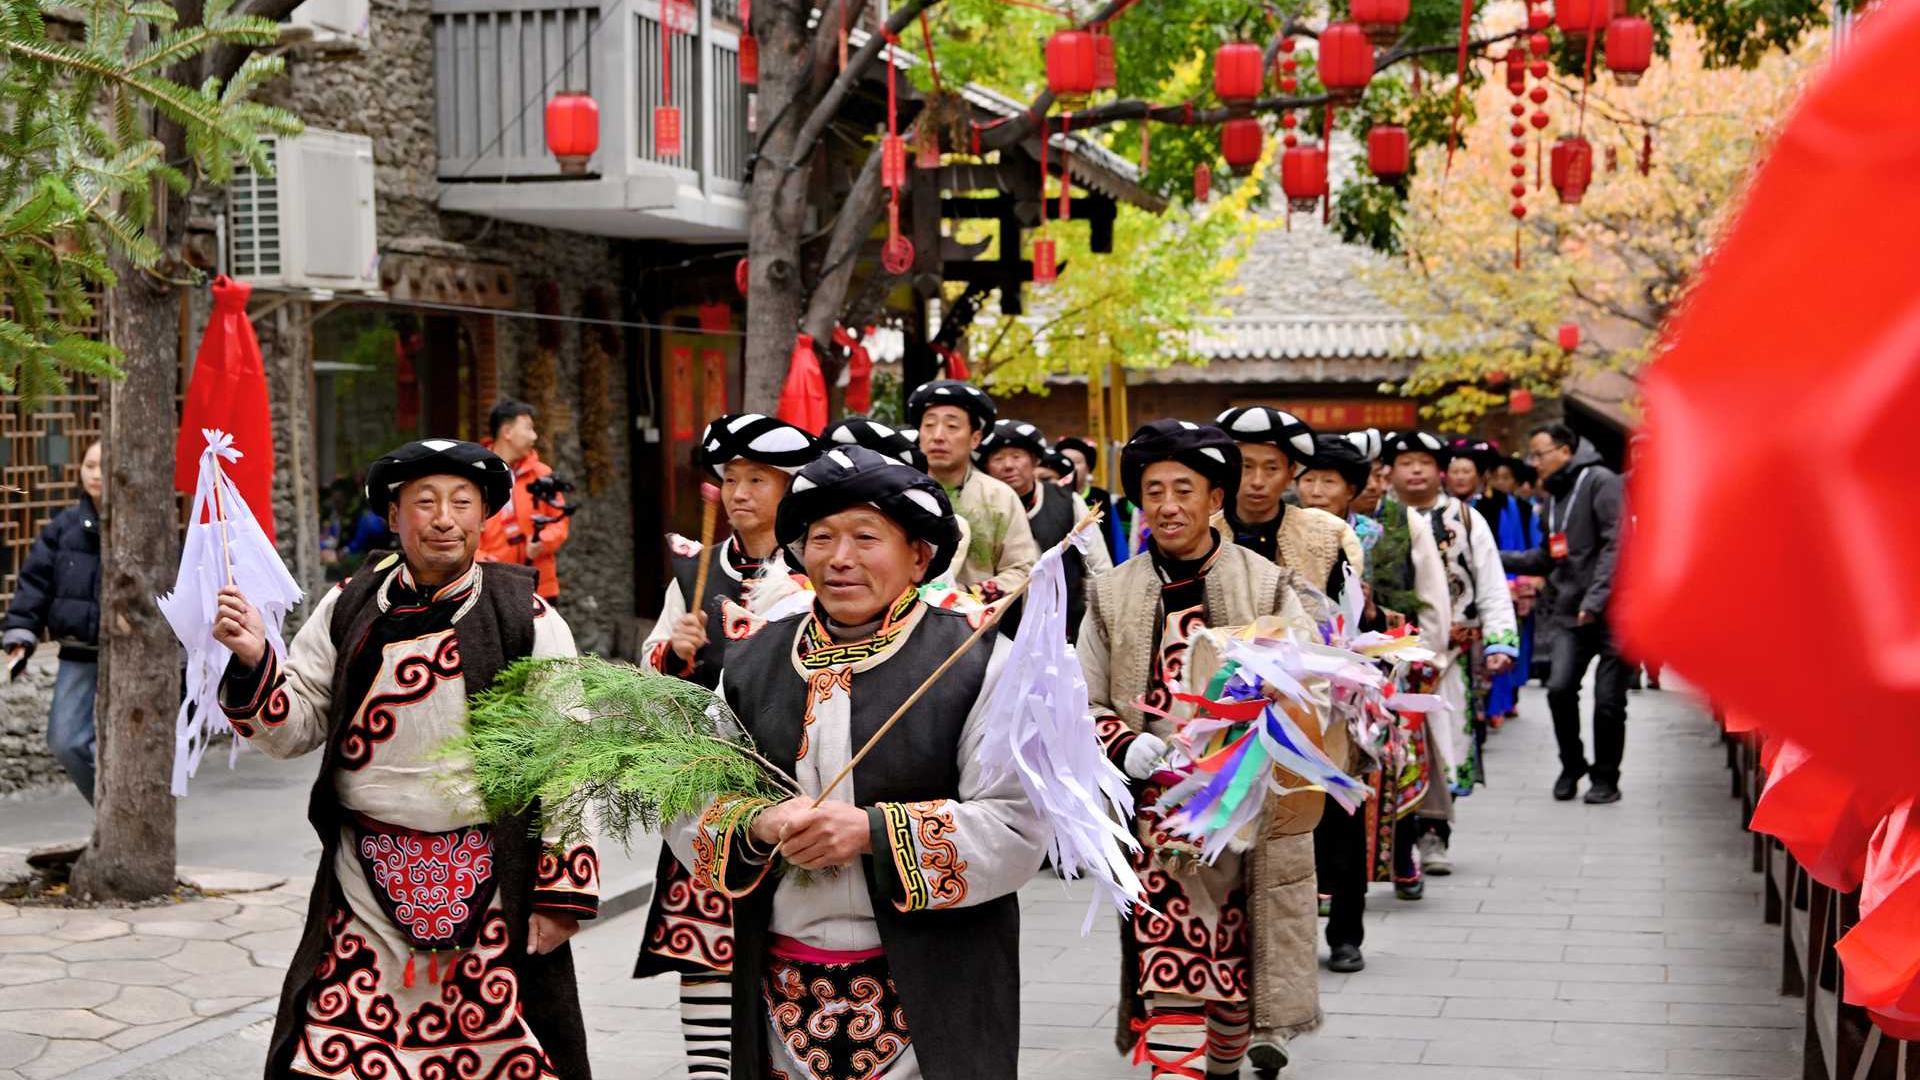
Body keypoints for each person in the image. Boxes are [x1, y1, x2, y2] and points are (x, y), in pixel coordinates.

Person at [211, 438, 597, 1080]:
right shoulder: (348, 606)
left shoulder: (526, 617)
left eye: (460, 502)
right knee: (341, 1056)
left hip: (493, 883)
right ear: (394, 517)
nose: (443, 517)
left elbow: (568, 754)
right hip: (364, 881)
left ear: (485, 517)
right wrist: (256, 659)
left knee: (498, 1062)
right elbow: (293, 726)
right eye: (424, 502)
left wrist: (562, 892)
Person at [668, 445, 1047, 1080]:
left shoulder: (979, 663)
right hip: (781, 980)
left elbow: (1016, 827)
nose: (840, 558)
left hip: (934, 976)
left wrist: (872, 832)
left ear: (919, 556)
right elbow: (687, 804)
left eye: (867, 537)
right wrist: (758, 824)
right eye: (822, 538)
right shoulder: (752, 663)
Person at [1078, 420, 1326, 1079]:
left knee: (1241, 960)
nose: (1167, 506)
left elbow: (1311, 687)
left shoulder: (1268, 583)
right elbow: (1081, 699)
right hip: (1158, 815)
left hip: (1249, 807)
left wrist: (1250, 732)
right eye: (1153, 491)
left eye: (1184, 490)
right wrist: (1127, 746)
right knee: (1174, 957)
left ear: (1215, 498)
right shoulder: (1111, 592)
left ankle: (1220, 1067)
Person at [635, 413, 820, 1078]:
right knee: (705, 951)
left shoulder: (816, 566)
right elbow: (650, 670)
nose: (740, 493)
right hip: (709, 795)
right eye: (732, 479)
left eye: (758, 480)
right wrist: (674, 653)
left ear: (791, 486)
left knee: (790, 948)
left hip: (793, 786)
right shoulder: (694, 569)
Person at [1381, 431, 1519, 878]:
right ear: (1391, 471)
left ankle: (1436, 833)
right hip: (1388, 654)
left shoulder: (1465, 518)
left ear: (1438, 469)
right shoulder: (1377, 518)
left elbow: (1491, 580)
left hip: (1450, 655)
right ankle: (1397, 837)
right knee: (1393, 746)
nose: (1415, 470)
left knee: (1446, 740)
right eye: (1406, 463)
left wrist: (1500, 639)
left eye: (1424, 462)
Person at [1293, 434, 1384, 973]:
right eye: (1311, 479)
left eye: (1330, 481)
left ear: (1352, 488)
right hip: (1281, 688)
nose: (1319, 489)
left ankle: (1347, 931)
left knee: (1344, 810)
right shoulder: (1276, 532)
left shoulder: (1364, 534)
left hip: (1342, 687)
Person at [1501, 423, 1628, 804]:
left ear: (1565, 451)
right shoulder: (1555, 494)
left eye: (1539, 454)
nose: (1533, 462)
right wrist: (1495, 555)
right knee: (1558, 690)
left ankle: (1606, 778)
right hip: (1572, 612)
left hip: (1613, 613)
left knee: (1608, 701)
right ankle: (1571, 764)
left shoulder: (1601, 481)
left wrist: (1597, 598)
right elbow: (1547, 556)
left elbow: (1616, 543)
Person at [3, 441, 104, 804]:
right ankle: (113, 815)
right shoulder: (63, 529)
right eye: (89, 464)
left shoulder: (146, 530)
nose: (96, 473)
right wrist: (21, 634)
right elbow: (34, 586)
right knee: (65, 741)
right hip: (80, 652)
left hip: (133, 659)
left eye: (104, 465)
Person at [905, 380, 1038, 602]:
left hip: (977, 624)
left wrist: (965, 596)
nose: (938, 435)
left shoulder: (999, 497)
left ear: (975, 438)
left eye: (952, 426)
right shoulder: (900, 490)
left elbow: (1022, 569)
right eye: (929, 425)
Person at [1214, 406, 1363, 601]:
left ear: (1291, 473)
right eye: (1246, 466)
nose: (1258, 481)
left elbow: (1347, 617)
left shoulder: (1327, 534)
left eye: (1272, 468)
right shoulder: (1204, 532)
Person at [976, 419, 1105, 638]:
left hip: (1063, 632)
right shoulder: (977, 509)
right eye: (998, 458)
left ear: (1035, 461)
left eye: (1017, 457)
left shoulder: (1067, 502)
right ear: (986, 466)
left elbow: (1097, 567)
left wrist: (1096, 622)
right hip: (998, 634)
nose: (1008, 465)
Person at [1475, 455, 1546, 728]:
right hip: (1491, 583)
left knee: (1508, 644)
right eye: (1498, 477)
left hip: (1516, 583)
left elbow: (1532, 546)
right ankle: (1491, 703)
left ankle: (1504, 701)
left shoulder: (1524, 509)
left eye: (1507, 478)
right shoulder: (1478, 508)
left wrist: (1526, 582)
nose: (1502, 482)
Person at [477, 398, 571, 600]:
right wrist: (485, 561)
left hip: (538, 586)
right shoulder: (475, 474)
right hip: (490, 583)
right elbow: (463, 528)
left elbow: (560, 521)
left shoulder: (542, 475)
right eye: (528, 428)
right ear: (507, 432)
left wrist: (542, 541)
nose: (534, 436)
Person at [1057, 436, 1123, 562]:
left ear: (1088, 468)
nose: (1069, 466)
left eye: (1076, 462)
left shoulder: (1101, 498)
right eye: (1064, 460)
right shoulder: (1049, 496)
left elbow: (1116, 539)